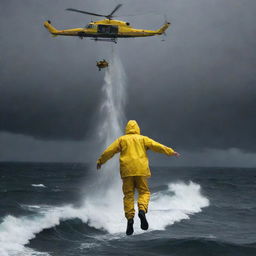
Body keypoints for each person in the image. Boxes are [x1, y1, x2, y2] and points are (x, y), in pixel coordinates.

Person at [96, 120, 180, 235]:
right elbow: (157, 146)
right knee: (144, 192)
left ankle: (130, 219)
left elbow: (109, 151)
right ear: (137, 128)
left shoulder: (121, 140)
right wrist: (171, 152)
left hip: (127, 171)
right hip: (141, 170)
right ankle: (142, 211)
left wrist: (100, 161)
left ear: (127, 129)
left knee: (128, 195)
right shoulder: (143, 139)